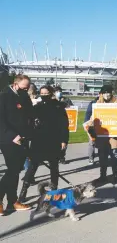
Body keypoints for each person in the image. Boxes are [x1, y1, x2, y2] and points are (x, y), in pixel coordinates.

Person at [19, 85, 69, 202]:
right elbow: (29, 122)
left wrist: (64, 140)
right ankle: (23, 190)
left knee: (54, 167)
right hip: (39, 140)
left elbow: (64, 126)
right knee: (33, 166)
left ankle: (54, 191)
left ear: (51, 93)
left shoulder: (59, 107)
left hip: (54, 140)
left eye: (46, 93)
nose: (44, 95)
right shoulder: (37, 107)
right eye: (42, 93)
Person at [0, 74, 33, 214]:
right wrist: (12, 135)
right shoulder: (4, 96)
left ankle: (12, 201)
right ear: (15, 84)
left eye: (27, 89)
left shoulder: (25, 97)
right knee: (13, 168)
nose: (26, 91)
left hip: (23, 138)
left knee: (16, 170)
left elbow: (29, 116)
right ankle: (7, 200)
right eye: (23, 88)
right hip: (8, 138)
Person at [86, 85, 117, 184]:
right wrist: (88, 124)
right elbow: (93, 117)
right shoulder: (98, 103)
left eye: (109, 92)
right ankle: (103, 176)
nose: (107, 94)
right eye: (105, 92)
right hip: (102, 136)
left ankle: (116, 174)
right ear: (101, 94)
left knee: (114, 156)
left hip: (113, 135)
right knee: (102, 156)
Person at [54, 86, 73, 164]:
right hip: (54, 123)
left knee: (64, 141)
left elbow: (72, 107)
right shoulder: (52, 100)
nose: (58, 92)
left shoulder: (66, 99)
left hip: (64, 121)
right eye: (56, 91)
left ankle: (62, 157)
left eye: (59, 91)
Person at [85, 94, 100, 164]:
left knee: (101, 143)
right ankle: (91, 158)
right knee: (92, 142)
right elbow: (87, 114)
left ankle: (101, 157)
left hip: (101, 126)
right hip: (92, 126)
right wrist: (86, 125)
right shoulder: (92, 104)